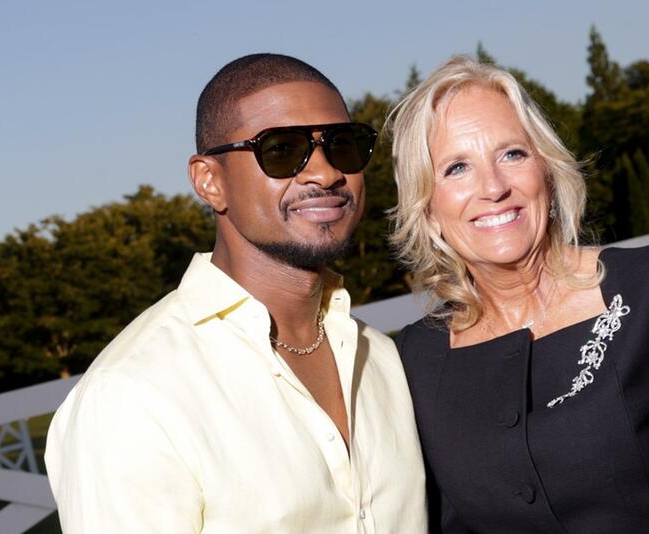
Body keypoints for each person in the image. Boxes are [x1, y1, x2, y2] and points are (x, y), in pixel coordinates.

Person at [388, 55, 649, 533]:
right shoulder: (419, 356)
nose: (494, 187)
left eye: (512, 154)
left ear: (546, 168)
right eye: (457, 167)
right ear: (429, 207)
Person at [45, 53, 427, 533]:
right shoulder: (132, 393)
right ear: (210, 181)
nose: (325, 172)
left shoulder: (381, 357)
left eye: (343, 145)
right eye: (282, 151)